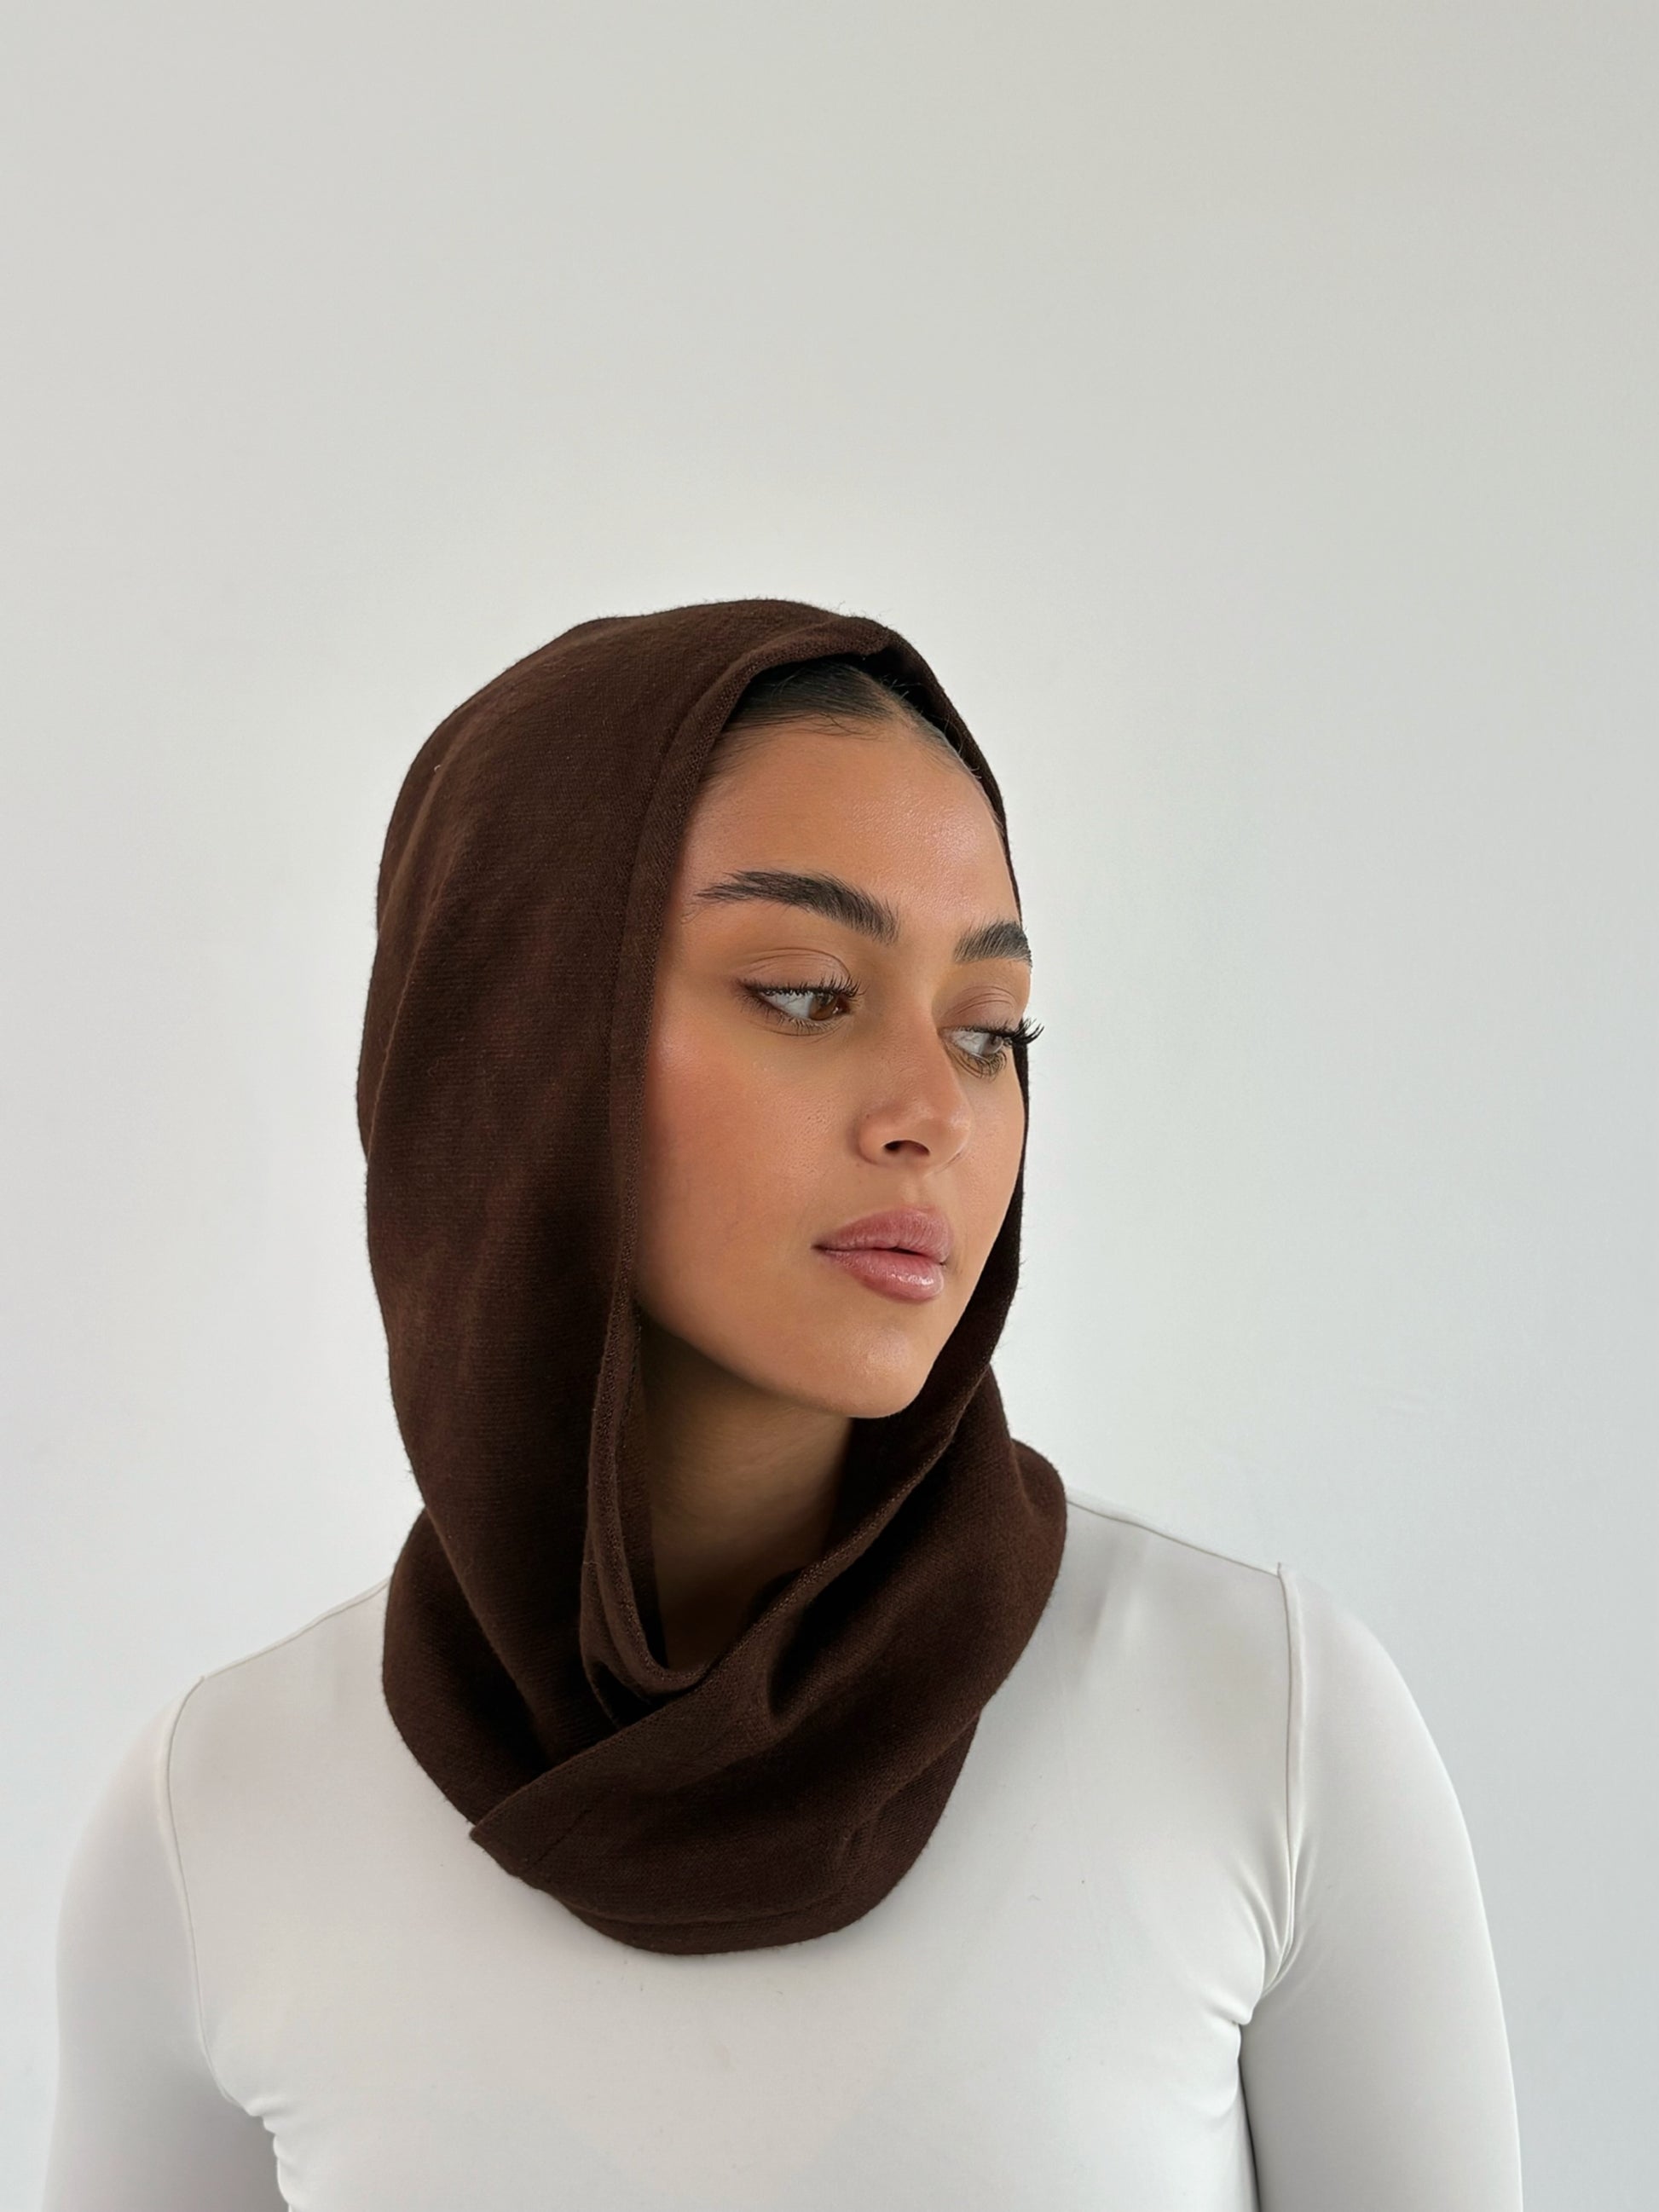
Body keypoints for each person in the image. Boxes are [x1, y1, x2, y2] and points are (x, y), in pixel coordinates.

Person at [41, 599, 1524, 2209]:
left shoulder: (1260, 1723)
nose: (933, 1110)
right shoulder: (218, 1821)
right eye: (810, 993)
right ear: (521, 1037)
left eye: (988, 1029)